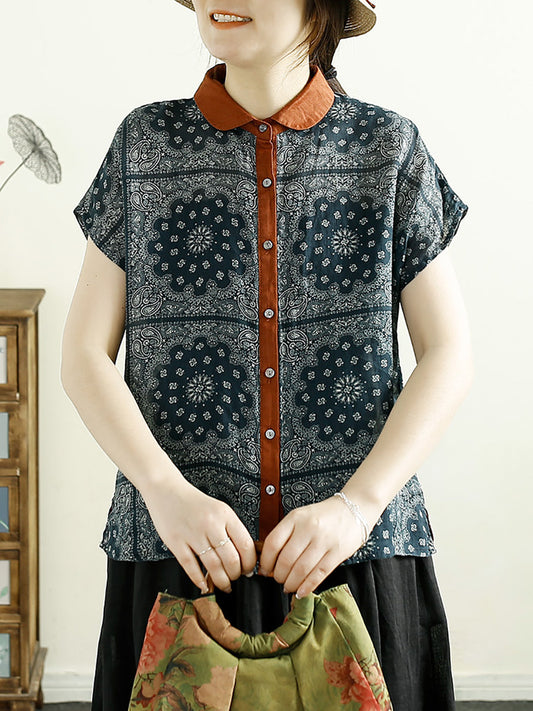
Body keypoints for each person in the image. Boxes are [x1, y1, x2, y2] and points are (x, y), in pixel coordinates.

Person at [61, 0, 473, 709]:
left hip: (352, 553)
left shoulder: (388, 149)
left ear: (321, 9)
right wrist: (164, 492)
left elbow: (449, 354)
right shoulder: (143, 144)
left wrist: (356, 507)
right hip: (182, 552)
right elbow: (82, 356)